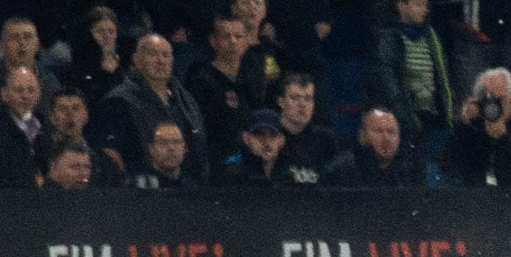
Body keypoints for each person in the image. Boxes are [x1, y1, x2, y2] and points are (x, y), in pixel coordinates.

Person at [94, 34, 210, 183]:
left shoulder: (186, 100)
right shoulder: (120, 100)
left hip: (190, 190)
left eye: (166, 55)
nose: (160, 60)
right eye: (152, 54)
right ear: (137, 60)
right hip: (142, 194)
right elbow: (111, 154)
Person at [368, 0, 456, 142]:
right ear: (402, 6)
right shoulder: (388, 38)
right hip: (403, 117)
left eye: (425, 5)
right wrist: (403, 114)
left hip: (431, 115)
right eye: (418, 4)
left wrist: (448, 114)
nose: (424, 10)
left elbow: (443, 77)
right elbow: (389, 81)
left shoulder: (432, 37)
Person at [187, 15, 267, 169]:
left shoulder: (252, 79)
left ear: (246, 43)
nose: (233, 41)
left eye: (238, 36)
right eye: (226, 36)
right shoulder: (201, 81)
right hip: (217, 162)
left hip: (251, 161)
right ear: (213, 41)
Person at [443, 66, 511, 185]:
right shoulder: (472, 128)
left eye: (499, 99)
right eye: (487, 100)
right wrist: (464, 125)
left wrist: (504, 139)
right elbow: (448, 167)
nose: (493, 106)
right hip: (475, 198)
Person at [0, 18, 62, 128]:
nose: (22, 43)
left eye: (27, 37)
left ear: (37, 44)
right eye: (14, 38)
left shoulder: (50, 82)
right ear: (2, 45)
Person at [324, 107, 426, 187]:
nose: (386, 138)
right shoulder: (342, 169)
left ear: (399, 138)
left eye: (391, 132)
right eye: (378, 131)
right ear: (362, 136)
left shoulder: (410, 168)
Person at [47, 87, 124, 186]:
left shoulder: (103, 162)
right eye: (62, 109)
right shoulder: (41, 155)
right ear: (52, 117)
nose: (70, 114)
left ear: (86, 116)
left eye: (76, 108)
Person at [274, 73, 338, 186]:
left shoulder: (326, 140)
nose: (302, 104)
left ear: (313, 103)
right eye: (295, 98)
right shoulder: (269, 136)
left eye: (308, 99)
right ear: (281, 101)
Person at [130, 120, 197, 189]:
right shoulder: (138, 186)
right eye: (163, 142)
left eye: (177, 141)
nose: (171, 148)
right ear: (151, 148)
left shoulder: (192, 187)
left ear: (184, 147)